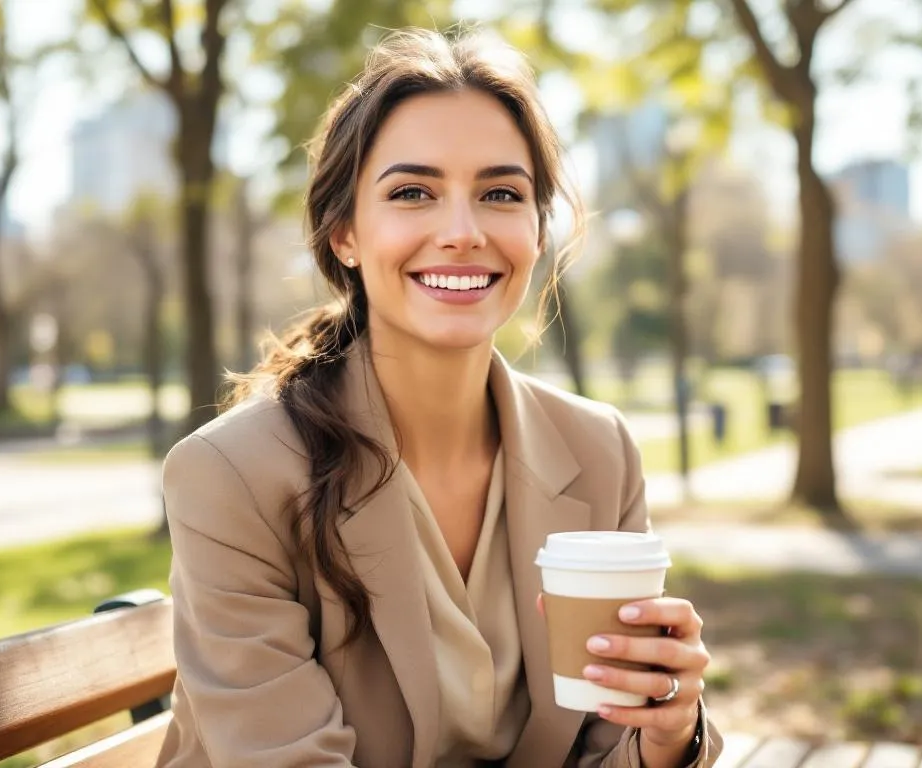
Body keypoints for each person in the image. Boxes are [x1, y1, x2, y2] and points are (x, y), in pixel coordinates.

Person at [155, 27, 721, 768]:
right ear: (345, 234)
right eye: (413, 193)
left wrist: (667, 735)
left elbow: (604, 746)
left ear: (537, 226)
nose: (462, 232)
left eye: (500, 194)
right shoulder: (233, 474)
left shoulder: (598, 449)